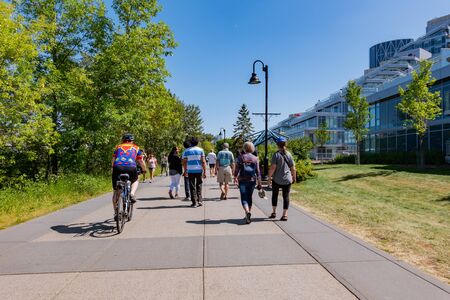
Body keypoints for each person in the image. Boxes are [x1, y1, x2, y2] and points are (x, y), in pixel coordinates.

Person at [111, 134, 146, 219]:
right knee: (136, 179)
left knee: (116, 190)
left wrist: (112, 168)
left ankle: (116, 213)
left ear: (123, 140)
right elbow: (140, 160)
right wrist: (144, 169)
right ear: (132, 140)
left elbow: (113, 160)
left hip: (117, 167)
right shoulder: (136, 147)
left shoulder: (118, 147)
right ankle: (132, 194)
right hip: (131, 167)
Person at [268, 136, 297, 221]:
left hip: (277, 179)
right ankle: (285, 215)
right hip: (287, 179)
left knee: (275, 195)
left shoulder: (276, 154)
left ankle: (274, 212)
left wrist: (269, 178)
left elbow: (273, 167)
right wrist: (294, 177)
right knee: (286, 196)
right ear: (285, 144)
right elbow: (293, 168)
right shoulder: (289, 154)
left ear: (277, 145)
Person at [234, 141, 261, 224]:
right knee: (249, 197)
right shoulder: (255, 158)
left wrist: (235, 177)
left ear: (244, 148)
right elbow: (258, 172)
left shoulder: (240, 157)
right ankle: (248, 214)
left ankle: (247, 212)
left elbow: (237, 169)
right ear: (252, 148)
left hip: (242, 180)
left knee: (244, 197)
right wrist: (259, 183)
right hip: (252, 180)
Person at [182, 137, 207, 207]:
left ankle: (194, 202)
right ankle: (200, 200)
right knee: (199, 185)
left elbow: (184, 162)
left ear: (191, 143)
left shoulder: (186, 151)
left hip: (190, 170)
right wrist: (204, 172)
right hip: (199, 170)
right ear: (197, 142)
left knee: (192, 186)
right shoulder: (201, 150)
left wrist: (185, 171)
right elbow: (203, 161)